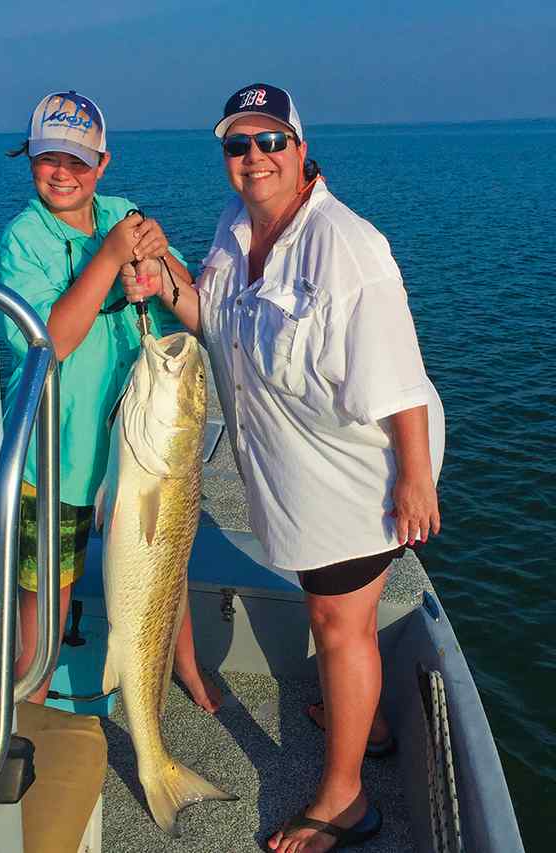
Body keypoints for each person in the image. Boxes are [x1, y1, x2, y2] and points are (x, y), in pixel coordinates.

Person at [124, 83, 445, 852]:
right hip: (292, 472)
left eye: (271, 141)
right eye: (239, 144)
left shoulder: (347, 246)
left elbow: (399, 372)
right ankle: (357, 726)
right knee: (338, 615)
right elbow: (214, 317)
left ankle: (345, 801)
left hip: (359, 471)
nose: (255, 157)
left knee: (340, 623)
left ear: (302, 151)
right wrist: (162, 275)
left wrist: (415, 474)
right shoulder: (237, 227)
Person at [0, 90, 219, 713]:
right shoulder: (22, 241)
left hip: (137, 447)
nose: (61, 173)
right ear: (30, 158)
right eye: (47, 158)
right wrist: (113, 257)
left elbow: (184, 296)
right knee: (48, 595)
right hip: (53, 456)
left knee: (165, 569)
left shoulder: (125, 214)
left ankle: (185, 668)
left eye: (78, 161)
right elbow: (51, 340)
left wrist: (159, 260)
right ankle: (24, 705)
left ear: (103, 164)